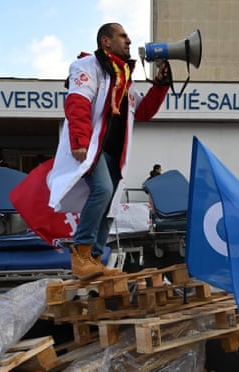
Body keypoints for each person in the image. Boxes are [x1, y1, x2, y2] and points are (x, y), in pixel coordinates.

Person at [47, 22, 171, 279]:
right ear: (106, 41)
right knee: (102, 190)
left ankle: (93, 258)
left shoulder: (124, 77)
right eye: (123, 36)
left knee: (109, 204)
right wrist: (79, 139)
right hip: (93, 147)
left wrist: (160, 85)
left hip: (114, 154)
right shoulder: (87, 66)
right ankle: (80, 252)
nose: (128, 40)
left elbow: (144, 112)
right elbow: (77, 102)